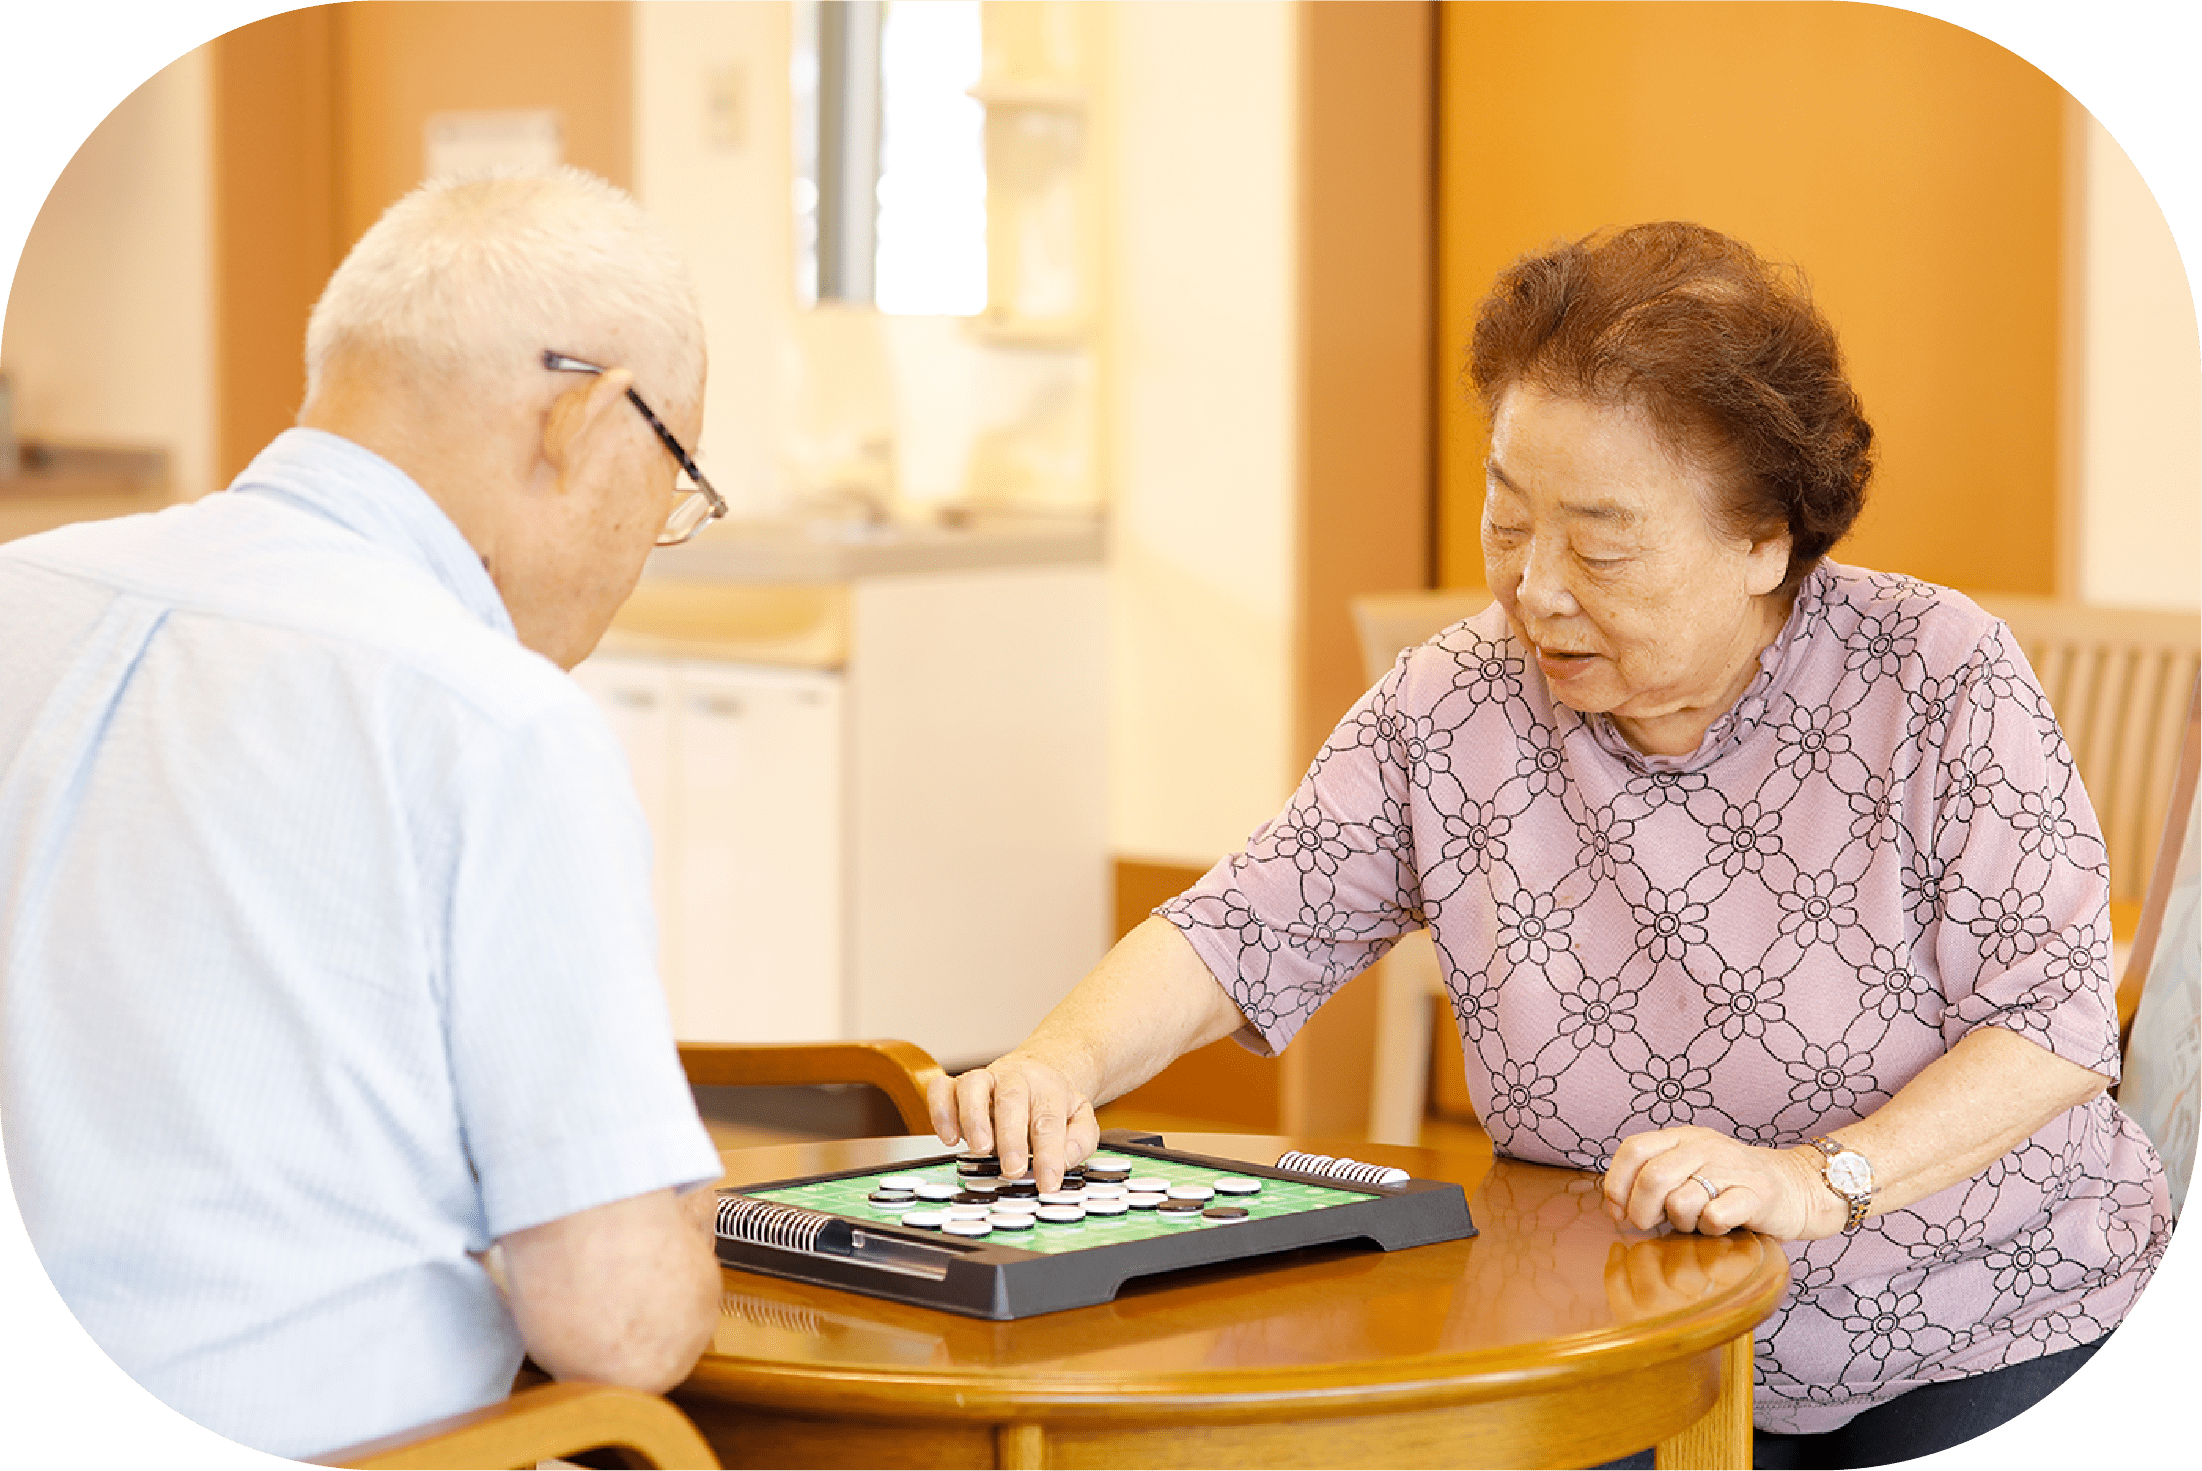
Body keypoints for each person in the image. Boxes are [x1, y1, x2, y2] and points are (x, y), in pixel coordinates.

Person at [929, 222, 2173, 1466]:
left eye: (1602, 545)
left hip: (1985, 1314)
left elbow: (2053, 1022)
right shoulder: (1455, 702)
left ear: (1766, 541)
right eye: (1509, 519)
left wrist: (1817, 1180)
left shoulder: (1937, 673)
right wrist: (1059, 1060)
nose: (1535, 590)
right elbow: (1241, 925)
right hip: (1623, 1321)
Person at [0, 169, 730, 1459]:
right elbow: (617, 1328)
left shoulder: (25, 591)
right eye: (676, 477)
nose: (650, 536)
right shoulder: (491, 719)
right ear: (587, 416)